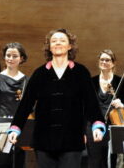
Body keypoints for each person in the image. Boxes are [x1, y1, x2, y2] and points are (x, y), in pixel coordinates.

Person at [7, 28, 106, 168]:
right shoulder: (39, 73)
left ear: (70, 46)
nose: (58, 43)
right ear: (49, 47)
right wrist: (15, 127)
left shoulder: (81, 72)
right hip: (43, 140)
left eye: (62, 40)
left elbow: (91, 102)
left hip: (72, 140)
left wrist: (97, 124)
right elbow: (26, 104)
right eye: (54, 41)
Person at [86, 49, 124, 168]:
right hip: (93, 126)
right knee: (94, 160)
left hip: (112, 126)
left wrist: (121, 104)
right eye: (102, 60)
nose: (104, 62)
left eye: (107, 60)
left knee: (110, 161)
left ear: (113, 63)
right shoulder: (91, 81)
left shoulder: (121, 82)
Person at [0, 43, 28, 168]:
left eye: (14, 56)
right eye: (8, 55)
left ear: (21, 58)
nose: (10, 58)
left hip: (20, 125)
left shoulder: (27, 80)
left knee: (18, 162)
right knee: (0, 162)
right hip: (0, 125)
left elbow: (29, 108)